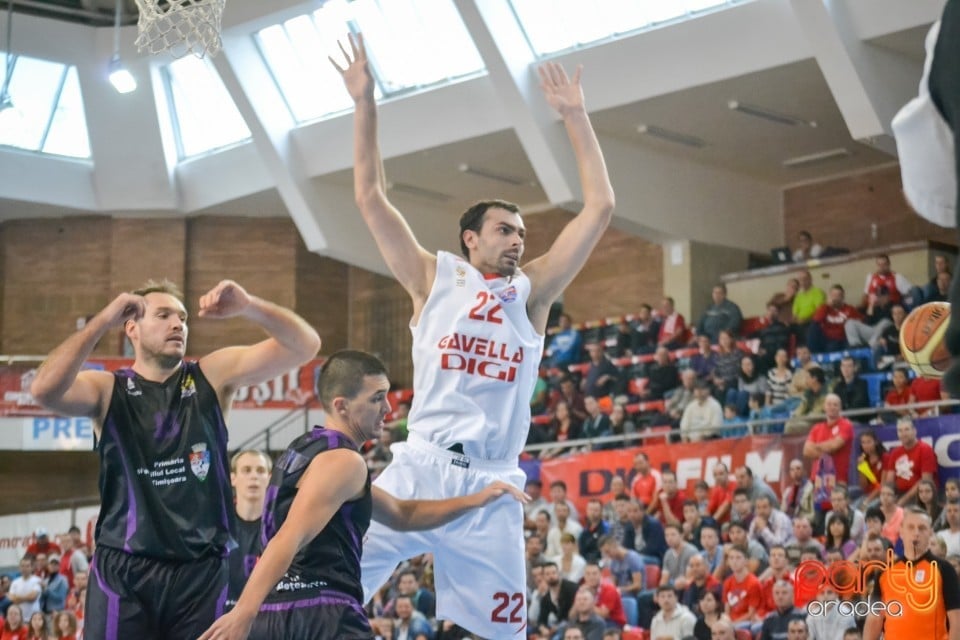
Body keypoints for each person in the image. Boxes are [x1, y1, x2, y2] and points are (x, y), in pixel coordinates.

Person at [332, 34, 615, 638]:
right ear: (471, 239)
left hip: (493, 481)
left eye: (522, 232)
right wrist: (365, 104)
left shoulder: (532, 292)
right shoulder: (433, 279)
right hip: (421, 464)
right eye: (505, 230)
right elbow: (368, 196)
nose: (518, 240)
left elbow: (600, 208)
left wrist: (576, 116)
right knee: (324, 586)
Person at [29, 277, 321, 639]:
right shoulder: (107, 390)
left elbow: (305, 346)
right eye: (164, 315)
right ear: (131, 327)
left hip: (200, 573)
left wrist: (249, 306)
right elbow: (43, 389)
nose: (178, 324)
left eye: (182, 317)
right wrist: (103, 321)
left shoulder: (211, 376)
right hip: (124, 569)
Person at [198, 350, 527, 640]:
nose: (387, 407)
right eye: (376, 398)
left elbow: (402, 514)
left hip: (281, 611)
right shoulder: (345, 462)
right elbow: (288, 538)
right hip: (323, 612)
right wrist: (243, 612)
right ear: (341, 405)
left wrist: (476, 498)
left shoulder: (304, 449)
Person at [864, 507, 960, 640]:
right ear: (901, 532)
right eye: (910, 527)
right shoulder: (884, 573)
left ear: (930, 533)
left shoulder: (944, 569)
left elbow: (956, 619)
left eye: (922, 528)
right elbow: (874, 619)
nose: (916, 533)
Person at [226, 449, 272, 613]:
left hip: (267, 619)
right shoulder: (219, 526)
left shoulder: (279, 528)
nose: (254, 476)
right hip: (223, 617)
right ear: (233, 478)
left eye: (260, 471)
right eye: (246, 470)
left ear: (269, 478)